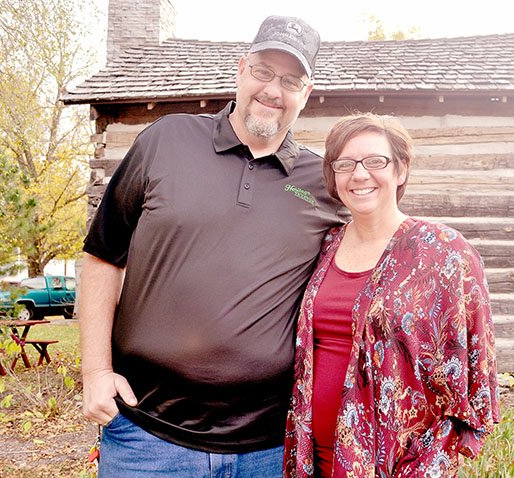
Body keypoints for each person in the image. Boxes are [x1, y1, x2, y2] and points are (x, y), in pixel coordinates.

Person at [78, 15, 348, 477]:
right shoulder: (167, 140)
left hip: (267, 446)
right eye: (263, 71)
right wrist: (96, 373)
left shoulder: (321, 184)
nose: (273, 90)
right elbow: (103, 256)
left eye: (291, 80)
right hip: (147, 435)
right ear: (241, 69)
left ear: (306, 92)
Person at [283, 113, 500, 477]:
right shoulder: (324, 246)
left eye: (375, 161)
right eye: (346, 164)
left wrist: (433, 460)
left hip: (400, 466)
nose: (360, 174)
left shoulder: (444, 251)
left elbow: (477, 369)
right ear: (333, 178)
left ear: (400, 171)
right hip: (314, 459)